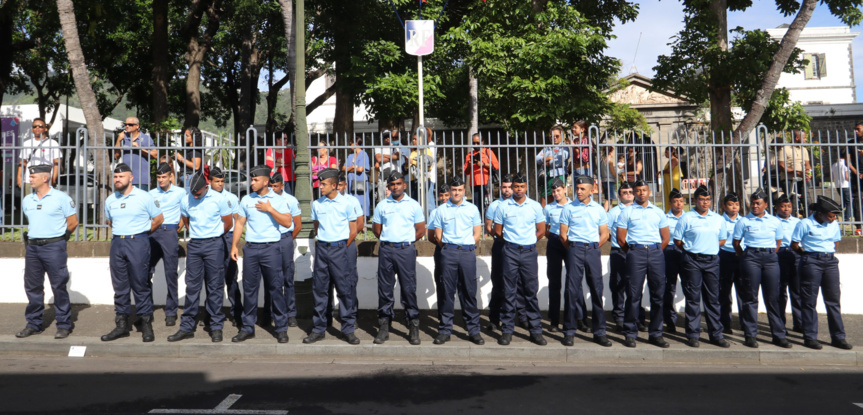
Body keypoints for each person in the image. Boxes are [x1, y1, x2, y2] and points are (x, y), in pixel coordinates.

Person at [230, 165, 296, 343]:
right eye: (252, 180)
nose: (252, 183)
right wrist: (234, 246)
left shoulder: (278, 200)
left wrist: (270, 209)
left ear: (266, 182)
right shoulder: (246, 199)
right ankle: (247, 327)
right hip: (251, 249)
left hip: (271, 249)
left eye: (255, 180)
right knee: (249, 290)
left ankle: (281, 328)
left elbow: (288, 222)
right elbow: (239, 223)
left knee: (276, 288)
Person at [101, 163, 165, 343]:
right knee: (119, 285)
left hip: (138, 242)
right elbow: (110, 221)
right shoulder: (110, 200)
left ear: (131, 178)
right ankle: (122, 324)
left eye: (121, 176)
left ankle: (146, 323)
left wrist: (141, 233)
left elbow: (158, 219)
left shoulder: (144, 197)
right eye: (115, 177)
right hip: (117, 243)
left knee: (140, 283)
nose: (117, 179)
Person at [168, 173, 233, 343]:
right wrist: (198, 234)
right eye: (193, 194)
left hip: (214, 244)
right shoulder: (186, 200)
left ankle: (216, 326)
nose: (195, 197)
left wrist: (213, 235)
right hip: (195, 245)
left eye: (198, 193)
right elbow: (186, 220)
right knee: (192, 287)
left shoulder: (218, 199)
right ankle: (187, 327)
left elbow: (228, 223)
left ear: (206, 187)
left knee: (215, 286)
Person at [16, 165, 78, 339]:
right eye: (30, 176)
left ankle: (64, 324)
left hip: (54, 247)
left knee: (58, 286)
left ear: (45, 178)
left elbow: (73, 222)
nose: (30, 179)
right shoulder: (28, 200)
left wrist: (60, 239)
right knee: (33, 287)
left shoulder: (61, 198)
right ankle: (33, 323)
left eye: (33, 176)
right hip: (33, 247)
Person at [305, 168, 360, 345]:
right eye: (319, 184)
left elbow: (353, 231)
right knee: (320, 290)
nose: (320, 187)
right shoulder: (317, 204)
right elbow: (317, 227)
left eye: (323, 184)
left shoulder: (347, 204)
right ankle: (318, 329)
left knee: (344, 290)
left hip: (340, 248)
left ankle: (348, 329)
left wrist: (340, 246)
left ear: (334, 185)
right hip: (322, 248)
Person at [791, 196, 853, 350]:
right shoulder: (804, 224)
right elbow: (795, 244)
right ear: (820, 214)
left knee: (833, 300)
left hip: (830, 262)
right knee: (809, 301)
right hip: (811, 261)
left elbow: (835, 242)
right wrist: (807, 256)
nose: (833, 219)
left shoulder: (833, 224)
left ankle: (838, 337)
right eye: (830, 216)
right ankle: (810, 337)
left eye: (834, 216)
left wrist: (828, 253)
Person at [493, 172, 547, 346]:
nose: (518, 189)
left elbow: (541, 231)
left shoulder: (535, 206)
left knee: (530, 291)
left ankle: (535, 331)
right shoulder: (503, 206)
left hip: (529, 252)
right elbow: (498, 231)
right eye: (516, 186)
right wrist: (513, 243)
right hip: (510, 251)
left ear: (526, 187)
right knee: (509, 292)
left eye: (522, 186)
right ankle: (507, 330)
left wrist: (527, 241)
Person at [672, 185, 730, 348]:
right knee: (693, 298)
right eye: (702, 199)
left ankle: (716, 334)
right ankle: (693, 334)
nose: (705, 203)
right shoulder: (686, 218)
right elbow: (678, 240)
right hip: (692, 260)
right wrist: (692, 249)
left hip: (712, 261)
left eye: (708, 200)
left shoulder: (718, 219)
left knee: (713, 299)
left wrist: (708, 247)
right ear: (695, 201)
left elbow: (722, 240)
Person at [371, 171, 426, 345]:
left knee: (408, 289)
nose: (395, 187)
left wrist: (405, 241)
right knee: (385, 290)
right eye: (392, 185)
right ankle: (384, 325)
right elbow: (377, 230)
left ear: (404, 185)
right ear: (388, 186)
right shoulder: (382, 205)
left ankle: (413, 325)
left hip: (405, 250)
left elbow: (420, 230)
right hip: (387, 250)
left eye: (398, 184)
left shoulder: (414, 205)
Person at [616, 179, 671, 348]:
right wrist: (634, 252)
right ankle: (630, 333)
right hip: (636, 253)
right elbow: (621, 239)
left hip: (655, 253)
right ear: (634, 193)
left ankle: (656, 334)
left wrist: (655, 250)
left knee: (658, 295)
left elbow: (666, 237)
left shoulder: (658, 212)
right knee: (633, 295)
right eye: (638, 190)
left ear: (649, 192)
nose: (641, 193)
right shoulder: (627, 212)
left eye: (644, 190)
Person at [431, 176, 485, 345]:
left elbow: (477, 234)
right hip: (448, 252)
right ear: (450, 191)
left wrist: (466, 245)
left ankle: (473, 330)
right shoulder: (441, 210)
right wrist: (449, 248)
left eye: (460, 190)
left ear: (464, 191)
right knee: (447, 292)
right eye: (454, 190)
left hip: (467, 253)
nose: (456, 193)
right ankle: (445, 330)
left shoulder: (472, 209)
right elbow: (438, 235)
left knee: (469, 292)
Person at [558, 175, 611, 347]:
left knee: (596, 289)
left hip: (593, 250)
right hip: (575, 249)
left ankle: (600, 332)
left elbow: (605, 233)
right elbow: (563, 235)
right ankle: (569, 331)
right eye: (577, 188)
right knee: (571, 291)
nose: (579, 191)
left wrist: (594, 247)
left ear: (592, 190)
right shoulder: (568, 208)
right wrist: (574, 248)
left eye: (582, 189)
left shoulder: (599, 209)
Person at [732, 188, 787, 348]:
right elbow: (736, 243)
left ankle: (778, 335)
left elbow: (778, 242)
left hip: (770, 259)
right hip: (751, 257)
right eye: (753, 203)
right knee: (750, 298)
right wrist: (746, 256)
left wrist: (768, 253)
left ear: (766, 205)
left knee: (773, 298)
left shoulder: (775, 221)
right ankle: (750, 335)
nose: (754, 206)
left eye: (758, 203)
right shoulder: (744, 221)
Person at [484, 174, 527, 331]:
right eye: (504, 187)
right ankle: (494, 318)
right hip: (500, 246)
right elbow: (488, 226)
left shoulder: (523, 204)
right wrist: (501, 238)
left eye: (510, 187)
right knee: (499, 282)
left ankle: (522, 317)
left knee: (520, 282)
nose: (507, 190)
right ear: (500, 188)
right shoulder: (495, 205)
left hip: (518, 246)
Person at [261, 173, 303, 329]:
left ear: (282, 186)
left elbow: (298, 225)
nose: (273, 189)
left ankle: (290, 313)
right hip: (269, 241)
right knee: (270, 278)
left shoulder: (290, 200)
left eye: (276, 186)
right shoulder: (265, 200)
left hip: (284, 239)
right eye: (271, 186)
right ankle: (268, 313)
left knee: (287, 278)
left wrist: (288, 239)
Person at [148, 162, 186, 327]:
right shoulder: (151, 194)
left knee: (171, 273)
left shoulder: (180, 192)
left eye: (164, 177)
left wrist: (180, 225)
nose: (161, 180)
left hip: (170, 231)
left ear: (171, 176)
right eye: (159, 177)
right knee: (146, 271)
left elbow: (186, 210)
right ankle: (146, 310)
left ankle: (171, 311)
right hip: (153, 232)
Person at [326, 172, 365, 328]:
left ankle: (351, 315)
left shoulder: (351, 201)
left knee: (349, 281)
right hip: (330, 246)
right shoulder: (324, 201)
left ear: (345, 185)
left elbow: (359, 224)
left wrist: (345, 242)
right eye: (337, 185)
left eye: (341, 185)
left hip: (347, 245)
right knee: (327, 281)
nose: (339, 188)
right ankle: (326, 316)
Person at [607, 182, 645, 332]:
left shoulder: (639, 210)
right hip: (619, 251)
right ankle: (619, 317)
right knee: (618, 285)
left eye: (630, 192)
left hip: (636, 251)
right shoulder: (613, 212)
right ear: (619, 196)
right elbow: (606, 232)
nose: (628, 194)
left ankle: (637, 317)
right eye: (624, 192)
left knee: (636, 285)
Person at [209, 167, 243, 327]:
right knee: (212, 279)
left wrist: (234, 243)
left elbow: (237, 220)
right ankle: (211, 314)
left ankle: (237, 312)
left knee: (231, 276)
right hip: (211, 239)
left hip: (228, 238)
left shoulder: (231, 197)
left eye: (222, 181)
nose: (220, 184)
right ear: (210, 181)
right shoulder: (205, 196)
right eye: (217, 181)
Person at [542, 178, 569, 333]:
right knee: (554, 282)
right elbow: (544, 228)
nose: (556, 194)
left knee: (574, 282)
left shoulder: (573, 206)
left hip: (570, 242)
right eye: (553, 191)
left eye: (558, 190)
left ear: (564, 189)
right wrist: (554, 237)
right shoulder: (548, 208)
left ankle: (578, 319)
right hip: (554, 242)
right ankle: (554, 320)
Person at [774, 195, 803, 332]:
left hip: (795, 254)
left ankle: (799, 323)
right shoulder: (772, 221)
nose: (786, 209)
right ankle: (781, 323)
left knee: (797, 290)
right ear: (776, 208)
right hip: (779, 254)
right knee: (780, 291)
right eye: (783, 206)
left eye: (789, 206)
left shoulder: (798, 222)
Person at [719, 192, 744, 334]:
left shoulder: (744, 221)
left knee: (743, 292)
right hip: (725, 256)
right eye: (730, 204)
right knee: (724, 292)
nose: (734, 207)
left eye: (736, 204)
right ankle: (725, 323)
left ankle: (745, 323)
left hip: (740, 256)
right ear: (724, 206)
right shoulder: (719, 221)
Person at [17, 118, 61, 195]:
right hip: (29, 180)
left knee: (45, 201)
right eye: (34, 126)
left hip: (45, 180)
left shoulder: (53, 143)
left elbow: (57, 163)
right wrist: (19, 178)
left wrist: (53, 179)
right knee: (29, 201)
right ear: (32, 129)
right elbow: (23, 162)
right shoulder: (27, 143)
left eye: (40, 126)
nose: (37, 128)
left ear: (45, 129)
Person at [662, 189, 685, 333]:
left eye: (681, 201)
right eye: (675, 201)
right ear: (670, 203)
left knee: (689, 286)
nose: (679, 204)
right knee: (669, 286)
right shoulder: (664, 218)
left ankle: (691, 320)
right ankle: (669, 319)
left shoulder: (688, 217)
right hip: (669, 252)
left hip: (685, 251)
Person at [113, 117, 156, 191]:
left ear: (137, 126)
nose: (127, 126)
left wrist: (140, 149)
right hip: (125, 179)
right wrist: (118, 140)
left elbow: (155, 155)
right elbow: (116, 156)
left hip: (141, 180)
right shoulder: (123, 138)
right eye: (125, 124)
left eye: (130, 124)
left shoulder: (146, 138)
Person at [777, 129, 812, 215]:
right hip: (789, 179)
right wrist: (795, 172)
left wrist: (809, 174)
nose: (806, 140)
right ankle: (792, 218)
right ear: (797, 138)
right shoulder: (784, 149)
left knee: (807, 200)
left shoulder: (804, 150)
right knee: (793, 201)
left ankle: (809, 218)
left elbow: (807, 164)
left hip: (802, 179)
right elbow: (781, 166)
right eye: (804, 138)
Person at [427, 184, 450, 312]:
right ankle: (443, 313)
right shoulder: (435, 212)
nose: (443, 198)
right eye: (441, 195)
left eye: (446, 195)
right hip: (441, 249)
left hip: (458, 250)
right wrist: (441, 245)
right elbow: (431, 236)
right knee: (441, 281)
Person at [464, 133, 499, 217]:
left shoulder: (488, 152)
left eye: (478, 142)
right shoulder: (469, 155)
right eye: (474, 143)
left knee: (487, 204)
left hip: (486, 182)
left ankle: (487, 220)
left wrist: (483, 164)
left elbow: (496, 166)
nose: (475, 145)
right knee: (476, 205)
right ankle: (479, 221)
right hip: (474, 183)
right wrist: (469, 164)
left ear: (482, 142)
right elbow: (466, 172)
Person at [535, 125, 570, 207]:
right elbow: (537, 159)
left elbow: (559, 161)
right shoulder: (548, 148)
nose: (554, 138)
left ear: (562, 136)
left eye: (557, 136)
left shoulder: (564, 147)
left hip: (559, 175)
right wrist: (547, 158)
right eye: (552, 136)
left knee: (559, 196)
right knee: (545, 197)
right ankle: (545, 213)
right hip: (547, 175)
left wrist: (548, 162)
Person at [374, 130, 406, 206]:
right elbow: (379, 159)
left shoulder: (394, 147)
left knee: (395, 197)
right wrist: (392, 157)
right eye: (385, 137)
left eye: (389, 136)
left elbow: (398, 157)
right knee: (382, 198)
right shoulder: (378, 147)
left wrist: (384, 155)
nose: (387, 138)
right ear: (382, 138)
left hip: (394, 177)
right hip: (383, 177)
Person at [344, 136, 370, 217]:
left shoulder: (363, 154)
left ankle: (363, 219)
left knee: (362, 200)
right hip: (351, 181)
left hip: (360, 181)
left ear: (355, 144)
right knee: (352, 200)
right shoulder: (350, 156)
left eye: (350, 144)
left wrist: (349, 169)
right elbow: (343, 168)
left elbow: (360, 169)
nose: (350, 146)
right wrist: (353, 167)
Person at [845, 121, 863, 235]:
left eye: (858, 129)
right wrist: (856, 172)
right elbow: (848, 161)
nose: (856, 131)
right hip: (857, 176)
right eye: (855, 129)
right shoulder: (851, 143)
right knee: (857, 201)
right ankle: (859, 227)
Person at [831, 150, 852, 222]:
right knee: (848, 202)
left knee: (843, 202)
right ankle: (847, 218)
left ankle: (836, 214)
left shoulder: (834, 165)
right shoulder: (845, 165)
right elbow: (846, 177)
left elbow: (833, 177)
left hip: (837, 185)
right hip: (845, 185)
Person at [599, 143, 618, 211]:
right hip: (610, 180)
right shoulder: (610, 161)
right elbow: (613, 172)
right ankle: (604, 212)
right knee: (608, 199)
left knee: (610, 198)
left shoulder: (602, 161)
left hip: (604, 180)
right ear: (610, 152)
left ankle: (611, 212)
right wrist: (618, 177)